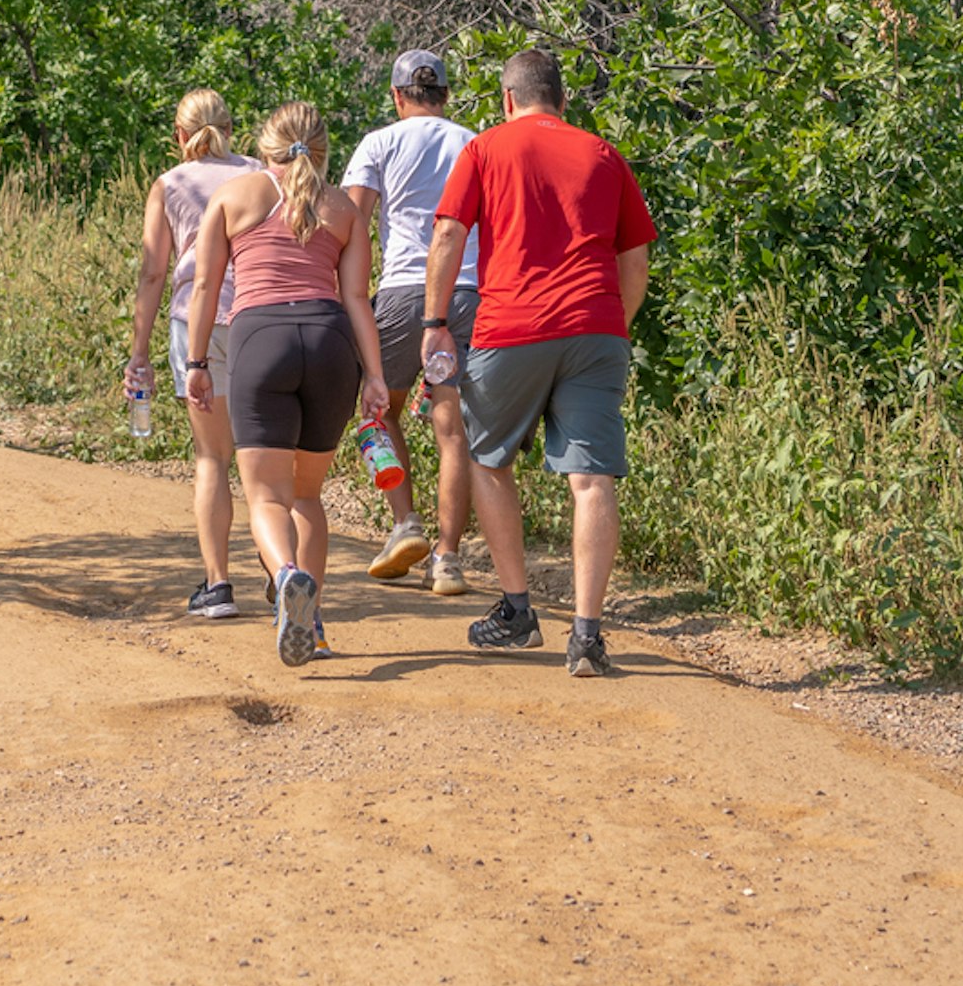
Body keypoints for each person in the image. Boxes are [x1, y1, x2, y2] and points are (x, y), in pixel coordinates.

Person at [424, 48, 656, 677]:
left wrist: (435, 324)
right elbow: (634, 261)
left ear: (507, 98)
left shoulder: (486, 148)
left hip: (512, 325)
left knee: (487, 458)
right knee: (592, 478)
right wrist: (613, 323)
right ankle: (586, 636)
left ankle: (519, 612)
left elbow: (448, 234)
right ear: (563, 98)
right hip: (597, 326)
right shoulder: (604, 154)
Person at [184, 103, 390, 669]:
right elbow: (356, 299)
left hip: (261, 341)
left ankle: (287, 576)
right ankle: (314, 622)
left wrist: (197, 361)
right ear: (322, 149)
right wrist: (374, 375)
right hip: (329, 345)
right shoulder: (343, 207)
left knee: (267, 497)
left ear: (264, 144)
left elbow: (205, 286)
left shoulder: (234, 196)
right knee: (306, 495)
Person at [339, 49, 478, 589]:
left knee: (376, 410)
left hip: (403, 292)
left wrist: (343, 295)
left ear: (397, 97)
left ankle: (404, 523)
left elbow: (351, 223)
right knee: (452, 430)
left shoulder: (379, 143)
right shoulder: (472, 141)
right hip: (466, 292)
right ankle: (448, 558)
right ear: (446, 95)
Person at [127, 90, 258, 620]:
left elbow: (154, 271)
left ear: (180, 135)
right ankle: (280, 572)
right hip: (256, 314)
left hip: (195, 324)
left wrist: (139, 351)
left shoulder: (170, 184)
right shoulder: (259, 173)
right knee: (260, 453)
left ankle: (218, 583)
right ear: (232, 127)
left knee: (212, 458)